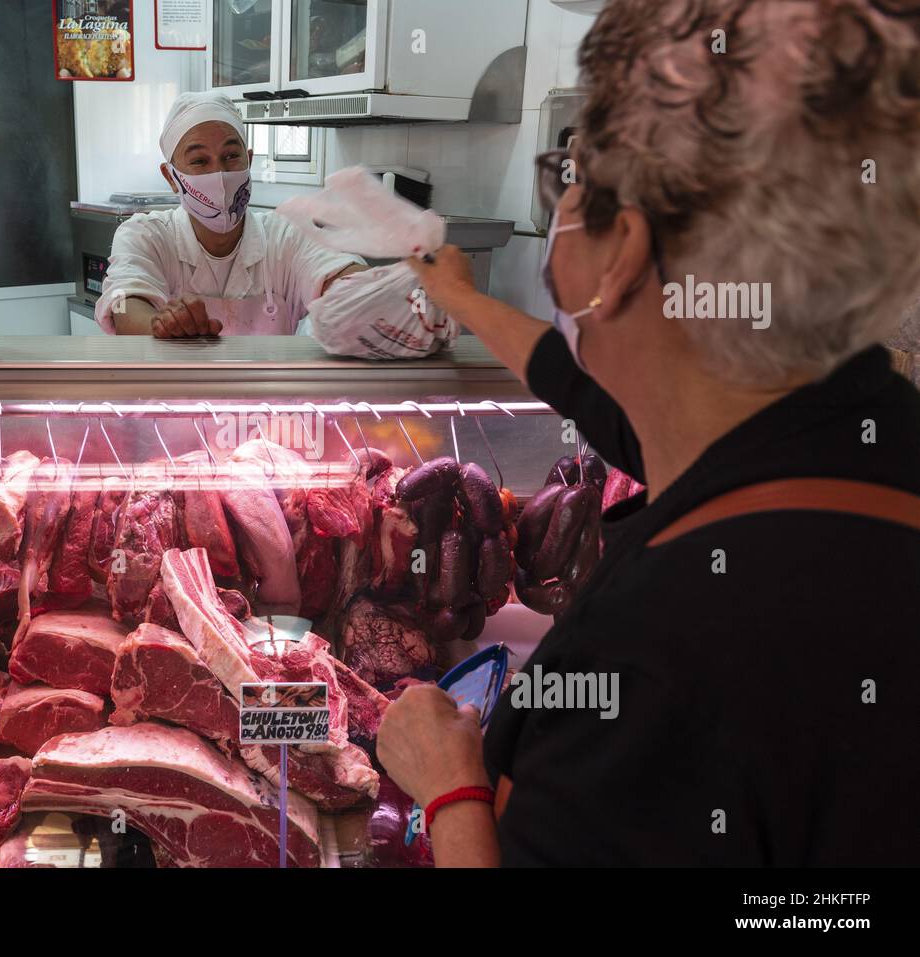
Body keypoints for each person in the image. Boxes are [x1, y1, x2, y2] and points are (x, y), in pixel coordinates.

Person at [377, 0, 920, 867]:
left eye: (568, 175)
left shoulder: (655, 666)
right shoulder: (839, 435)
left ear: (623, 248)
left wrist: (450, 790)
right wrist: (466, 302)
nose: (557, 203)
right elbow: (578, 386)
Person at [95, 91, 365, 338]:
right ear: (171, 177)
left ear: (249, 159)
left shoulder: (285, 235)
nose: (220, 175)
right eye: (200, 161)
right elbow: (122, 304)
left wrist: (376, 292)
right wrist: (160, 325)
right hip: (176, 390)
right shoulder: (146, 235)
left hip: (268, 390)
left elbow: (340, 277)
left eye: (231, 156)